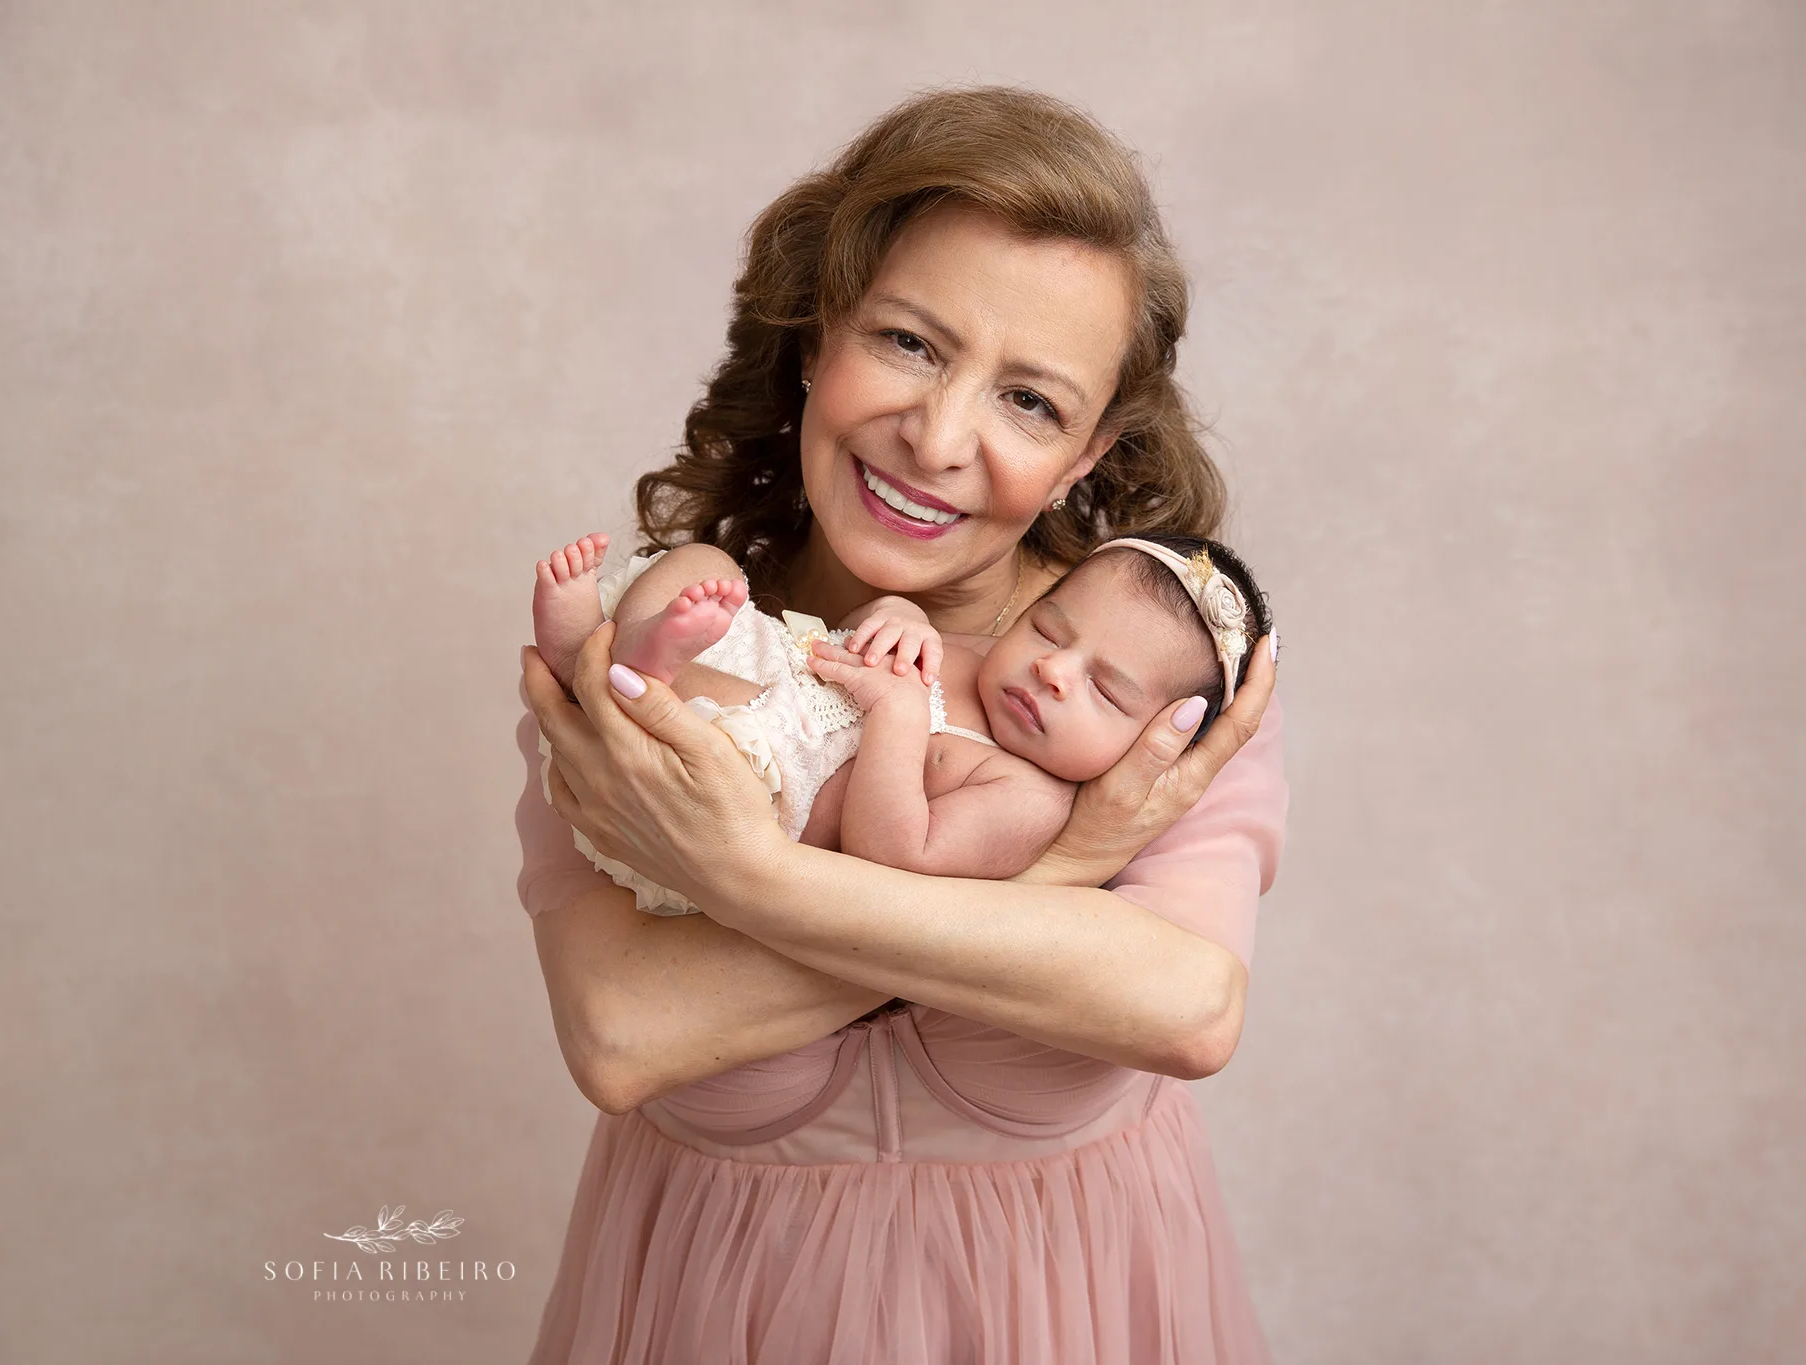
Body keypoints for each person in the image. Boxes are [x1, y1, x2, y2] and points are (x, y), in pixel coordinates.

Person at [515, 85, 1288, 1363]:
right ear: (819, 337)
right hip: (720, 1313)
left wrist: (744, 878)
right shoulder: (670, 638)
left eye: (1029, 403)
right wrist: (1067, 870)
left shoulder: (1143, 677)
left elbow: (1187, 1009)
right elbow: (623, 1033)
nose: (935, 439)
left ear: (1089, 455)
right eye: (911, 344)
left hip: (1077, 1312)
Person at [526, 529, 1271, 910]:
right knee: (704, 561)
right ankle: (602, 655)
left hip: (746, 787)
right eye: (1049, 628)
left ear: (1151, 744)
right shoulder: (983, 655)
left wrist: (898, 720)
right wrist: (897, 614)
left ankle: (618, 669)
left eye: (1105, 691)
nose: (1053, 669)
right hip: (769, 667)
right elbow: (844, 640)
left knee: (722, 722)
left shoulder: (1030, 798)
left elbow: (895, 860)